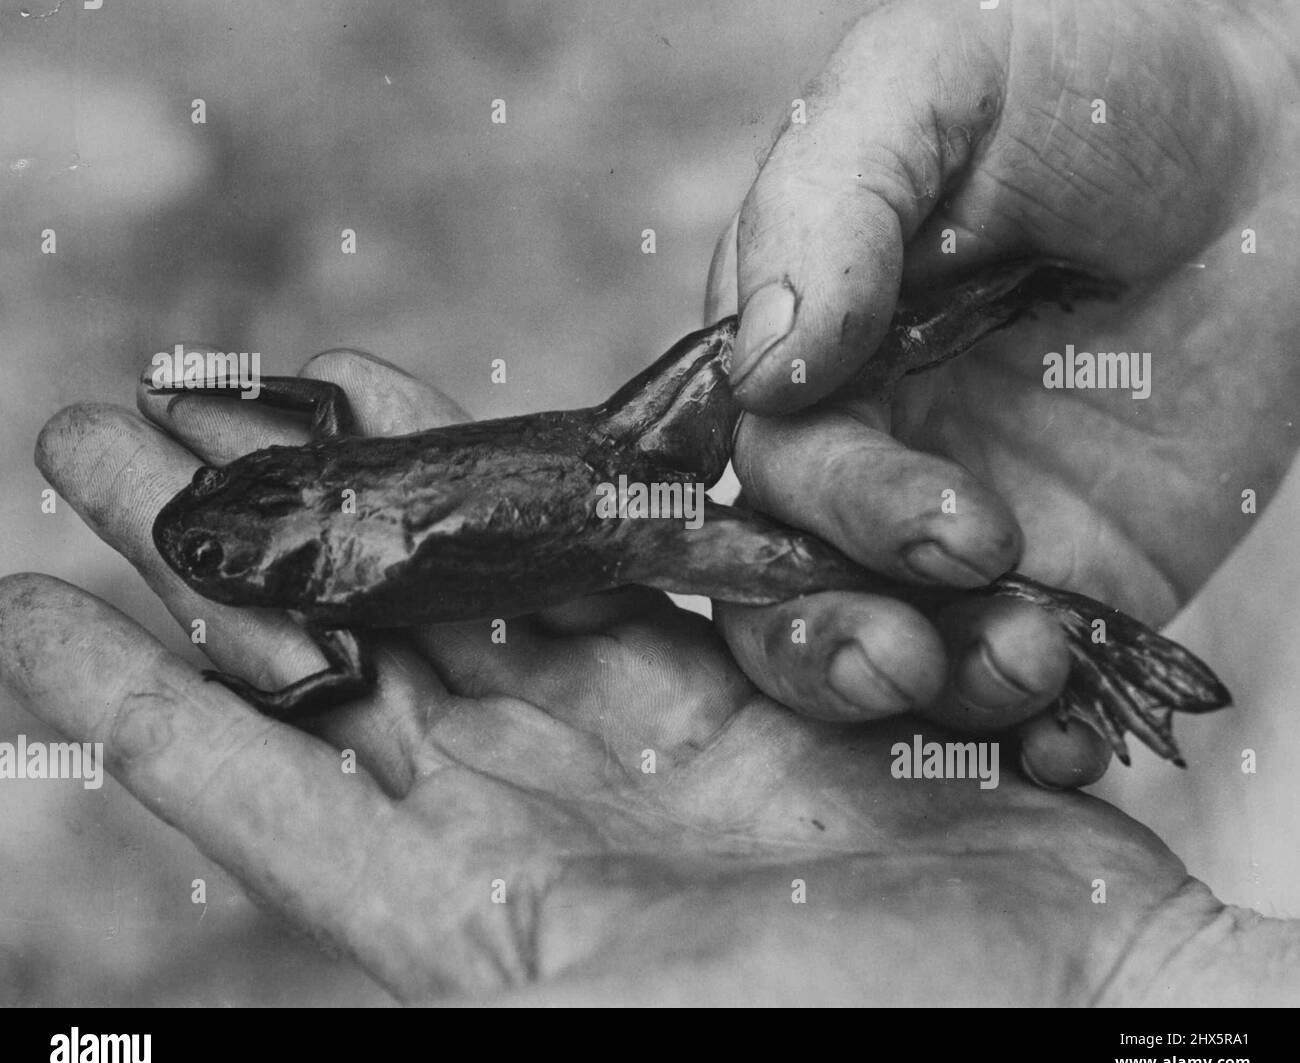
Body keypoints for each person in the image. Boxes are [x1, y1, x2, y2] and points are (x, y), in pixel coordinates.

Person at [1, 0, 1297, 1004]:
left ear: (273, 481)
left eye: (226, 517)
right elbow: (326, 469)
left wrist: (248, 683)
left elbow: (330, 667)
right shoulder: (331, 538)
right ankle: (1100, 644)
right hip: (633, 526)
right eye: (227, 550)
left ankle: (1013, 294)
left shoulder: (338, 576)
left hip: (614, 441)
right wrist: (1156, 979)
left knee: (794, 358)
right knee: (846, 564)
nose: (217, 538)